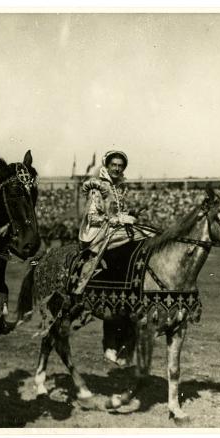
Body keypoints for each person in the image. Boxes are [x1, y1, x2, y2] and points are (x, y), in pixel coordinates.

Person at [76, 150, 152, 365]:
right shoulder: (97, 186)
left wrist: (128, 218)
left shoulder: (121, 187)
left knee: (147, 240)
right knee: (120, 252)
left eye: (121, 165)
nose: (118, 168)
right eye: (114, 165)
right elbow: (93, 216)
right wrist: (118, 219)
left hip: (118, 229)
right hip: (99, 232)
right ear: (107, 166)